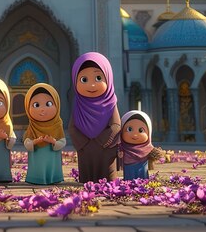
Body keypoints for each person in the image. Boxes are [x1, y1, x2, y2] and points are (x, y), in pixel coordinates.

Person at [68, 52, 121, 182]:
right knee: (87, 171)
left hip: (105, 148)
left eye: (98, 78)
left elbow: (116, 125)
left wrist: (103, 140)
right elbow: (72, 127)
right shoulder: (79, 105)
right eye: (84, 80)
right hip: (85, 149)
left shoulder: (110, 104)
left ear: (108, 78)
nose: (91, 85)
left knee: (106, 171)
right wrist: (83, 142)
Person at [23, 83, 65, 184]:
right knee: (37, 169)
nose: (42, 109)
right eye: (36, 105)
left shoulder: (57, 125)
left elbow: (62, 141)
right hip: (37, 158)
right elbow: (26, 142)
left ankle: (53, 178)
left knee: (52, 166)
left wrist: (54, 141)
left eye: (49, 104)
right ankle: (36, 178)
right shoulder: (32, 127)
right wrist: (34, 142)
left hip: (52, 158)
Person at [119, 110, 160, 180]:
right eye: (129, 129)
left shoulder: (148, 149)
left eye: (141, 130)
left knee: (143, 176)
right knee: (129, 176)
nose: (135, 135)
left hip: (142, 167)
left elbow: (155, 155)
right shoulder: (122, 148)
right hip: (128, 167)